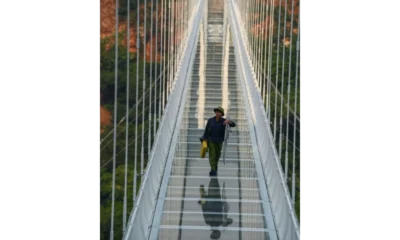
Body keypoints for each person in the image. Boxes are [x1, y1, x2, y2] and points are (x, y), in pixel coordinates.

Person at [200, 106, 236, 176]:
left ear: (221, 114)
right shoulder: (211, 120)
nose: (217, 113)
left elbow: (234, 124)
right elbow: (207, 129)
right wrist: (205, 138)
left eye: (219, 112)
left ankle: (214, 167)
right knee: (212, 154)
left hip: (219, 141)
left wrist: (228, 122)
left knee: (217, 155)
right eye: (217, 112)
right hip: (211, 140)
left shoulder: (223, 121)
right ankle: (213, 170)